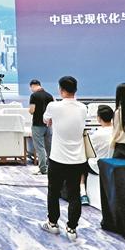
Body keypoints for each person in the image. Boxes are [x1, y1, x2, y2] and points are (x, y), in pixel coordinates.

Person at [40, 76, 88, 241]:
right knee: (75, 194)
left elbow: (45, 120)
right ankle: (72, 228)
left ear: (61, 90)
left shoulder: (53, 106)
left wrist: (52, 120)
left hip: (58, 158)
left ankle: (53, 224)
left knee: (53, 191)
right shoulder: (83, 108)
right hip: (78, 159)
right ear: (76, 90)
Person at [81, 105, 114, 205]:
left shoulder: (97, 135)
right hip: (113, 164)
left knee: (81, 162)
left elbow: (88, 150)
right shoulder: (118, 132)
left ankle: (82, 192)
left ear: (98, 118)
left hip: (99, 166)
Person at [28, 79, 55, 175]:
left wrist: (29, 110)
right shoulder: (49, 95)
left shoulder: (34, 96)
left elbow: (32, 110)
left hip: (37, 124)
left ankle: (43, 168)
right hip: (48, 125)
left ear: (32, 86)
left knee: (40, 148)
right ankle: (52, 168)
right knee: (49, 147)